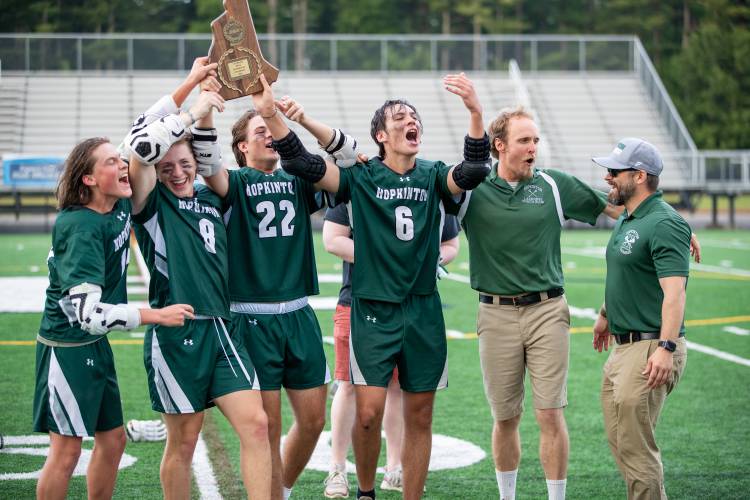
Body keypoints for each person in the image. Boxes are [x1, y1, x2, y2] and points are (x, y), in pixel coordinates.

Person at [253, 71, 491, 500]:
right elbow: (302, 164)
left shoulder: (434, 174)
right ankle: (365, 491)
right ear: (381, 134)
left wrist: (475, 111)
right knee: (368, 414)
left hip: (422, 309)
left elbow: (472, 171)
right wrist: (272, 117)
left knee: (420, 416)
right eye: (399, 117)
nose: (409, 120)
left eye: (414, 116)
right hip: (371, 310)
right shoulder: (362, 176)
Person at [454, 107, 699, 500]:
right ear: (499, 146)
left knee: (550, 413)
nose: (534, 147)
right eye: (524, 140)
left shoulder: (554, 184)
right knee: (505, 417)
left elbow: (622, 206)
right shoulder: (470, 188)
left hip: (548, 311)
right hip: (494, 312)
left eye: (536, 139)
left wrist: (675, 227)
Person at [125, 63, 272, 499]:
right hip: (178, 333)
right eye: (168, 166)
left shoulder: (211, 195)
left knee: (258, 424)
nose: (177, 172)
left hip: (223, 329)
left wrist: (210, 102)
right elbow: (139, 146)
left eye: (183, 163)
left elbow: (208, 154)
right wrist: (192, 98)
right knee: (184, 442)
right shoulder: (151, 205)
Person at [33, 137, 194, 500]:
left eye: (120, 159)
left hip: (94, 346)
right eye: (111, 162)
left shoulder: (117, 204)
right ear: (89, 179)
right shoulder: (82, 226)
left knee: (114, 439)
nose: (124, 165)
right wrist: (154, 315)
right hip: (67, 346)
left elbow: (144, 133)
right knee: (66, 452)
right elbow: (87, 314)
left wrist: (195, 88)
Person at [200, 107, 330, 500]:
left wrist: (295, 121)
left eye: (271, 129)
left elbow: (336, 174)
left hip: (298, 312)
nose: (270, 134)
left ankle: (282, 490)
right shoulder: (234, 182)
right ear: (241, 146)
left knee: (312, 422)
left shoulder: (297, 179)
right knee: (268, 427)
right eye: (260, 131)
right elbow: (208, 164)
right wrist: (205, 109)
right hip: (251, 318)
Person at [322, 202, 460, 498]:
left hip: (410, 304)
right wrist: (387, 258)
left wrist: (429, 260)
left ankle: (395, 468)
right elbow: (332, 239)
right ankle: (337, 467)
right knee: (347, 383)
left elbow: (450, 243)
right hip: (360, 302)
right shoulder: (361, 183)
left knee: (398, 386)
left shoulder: (429, 184)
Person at [592, 138, 690, 500]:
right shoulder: (631, 217)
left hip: (650, 346)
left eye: (615, 172)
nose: (608, 177)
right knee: (621, 442)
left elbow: (674, 294)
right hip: (623, 345)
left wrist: (665, 347)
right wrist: (605, 314)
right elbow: (628, 275)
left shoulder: (664, 222)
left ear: (639, 175)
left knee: (636, 449)